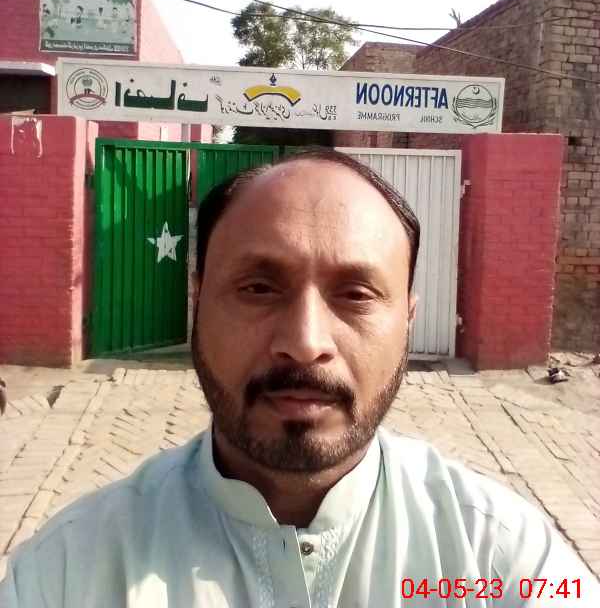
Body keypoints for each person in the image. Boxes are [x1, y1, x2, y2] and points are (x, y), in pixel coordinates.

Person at [1, 148, 598, 607]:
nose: (306, 342)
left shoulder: (502, 558)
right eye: (259, 288)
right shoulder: (68, 573)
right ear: (197, 302)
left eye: (356, 294)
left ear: (408, 322)